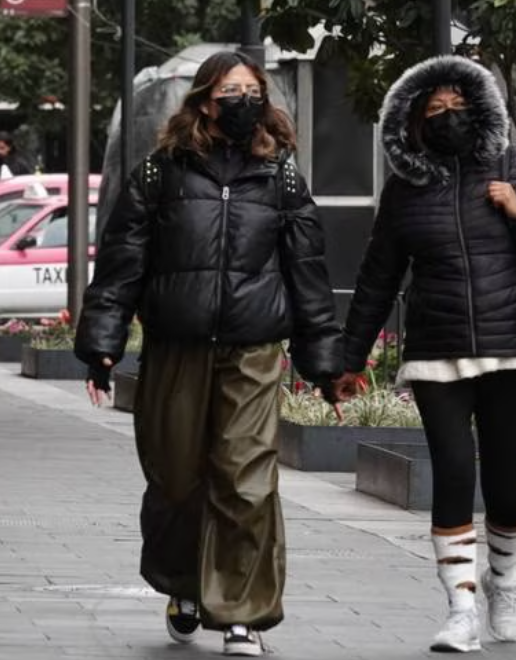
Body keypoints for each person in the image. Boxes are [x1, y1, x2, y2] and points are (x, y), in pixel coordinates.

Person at [74, 51, 342, 657]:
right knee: (175, 479)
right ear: (204, 99)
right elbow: (121, 264)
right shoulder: (160, 172)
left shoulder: (281, 177)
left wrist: (325, 361)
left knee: (245, 479)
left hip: (252, 349)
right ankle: (184, 585)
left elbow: (308, 272)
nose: (243, 100)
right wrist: (101, 344)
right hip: (177, 347)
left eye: (253, 90)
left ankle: (243, 613)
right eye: (231, 91)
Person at [332, 55, 516, 653]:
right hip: (436, 352)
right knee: (452, 472)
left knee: (503, 485)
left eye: (457, 107)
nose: (448, 118)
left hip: (511, 348)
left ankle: (504, 581)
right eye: (433, 112)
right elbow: (377, 278)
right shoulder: (405, 192)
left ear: (480, 110)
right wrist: (351, 360)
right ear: (413, 125)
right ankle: (460, 608)